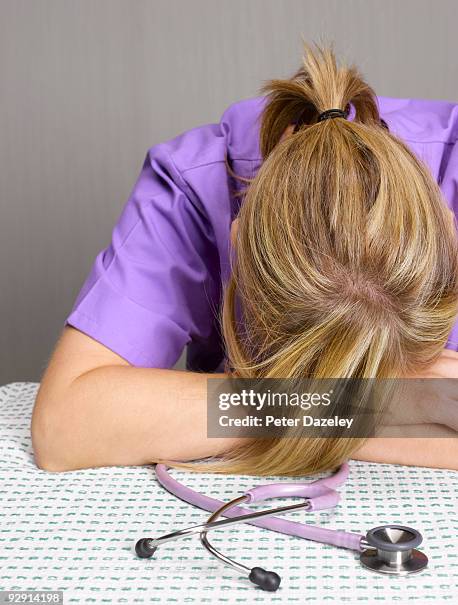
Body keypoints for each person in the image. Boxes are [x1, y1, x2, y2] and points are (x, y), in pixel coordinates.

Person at [31, 41, 458, 474]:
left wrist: (302, 404)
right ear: (238, 244)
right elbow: (67, 425)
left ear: (449, 226)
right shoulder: (193, 186)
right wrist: (374, 407)